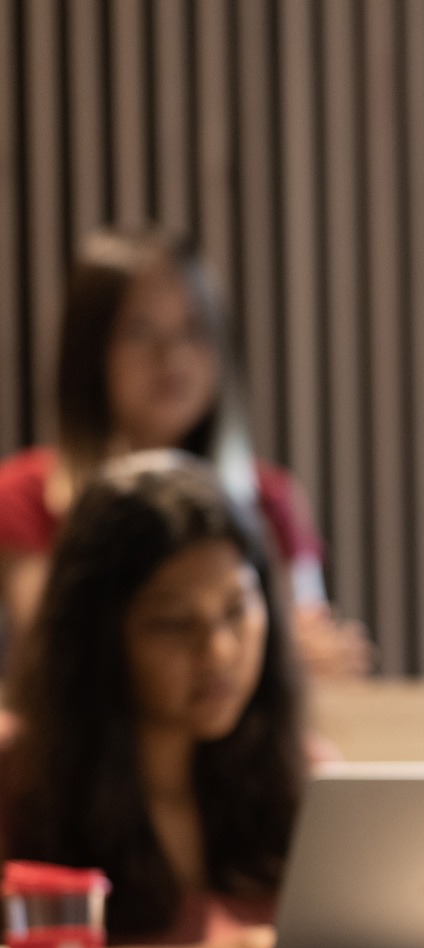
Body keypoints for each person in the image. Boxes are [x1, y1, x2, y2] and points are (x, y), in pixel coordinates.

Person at [0, 227, 368, 678]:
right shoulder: (26, 496)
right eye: (138, 331)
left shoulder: (269, 498)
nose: (171, 357)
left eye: (193, 330)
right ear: (88, 351)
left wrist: (317, 656)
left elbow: (306, 647)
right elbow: (57, 654)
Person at [2, 452, 304, 948]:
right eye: (172, 624)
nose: (218, 653)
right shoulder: (17, 781)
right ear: (95, 640)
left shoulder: (306, 778)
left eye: (237, 610)